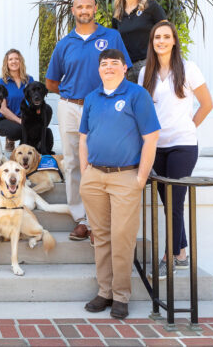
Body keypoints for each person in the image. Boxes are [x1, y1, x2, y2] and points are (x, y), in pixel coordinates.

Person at [79, 48, 160, 319]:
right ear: (99, 69)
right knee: (101, 237)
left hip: (126, 176)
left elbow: (151, 137)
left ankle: (121, 295)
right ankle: (105, 292)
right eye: (105, 64)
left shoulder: (137, 95)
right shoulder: (91, 98)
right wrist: (85, 171)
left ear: (125, 68)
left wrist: (140, 177)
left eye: (115, 63)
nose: (109, 67)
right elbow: (83, 138)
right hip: (94, 177)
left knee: (122, 238)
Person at [45, 0, 132, 241]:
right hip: (70, 107)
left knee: (99, 162)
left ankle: (98, 222)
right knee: (73, 163)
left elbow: (122, 70)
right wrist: (74, 94)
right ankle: (81, 219)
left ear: (95, 9)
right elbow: (51, 82)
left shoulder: (111, 37)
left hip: (102, 107)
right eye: (79, 6)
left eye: (88, 6)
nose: (84, 10)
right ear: (73, 10)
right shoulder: (64, 43)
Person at [139, 21, 213, 278]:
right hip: (156, 147)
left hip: (182, 146)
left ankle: (168, 256)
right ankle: (181, 253)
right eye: (157, 37)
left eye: (166, 36)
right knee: (168, 202)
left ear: (174, 41)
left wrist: (188, 127)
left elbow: (206, 104)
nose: (161, 41)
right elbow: (144, 111)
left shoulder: (188, 69)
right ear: (152, 42)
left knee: (175, 201)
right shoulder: (144, 73)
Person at [111, 0, 167, 83]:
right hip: (127, 68)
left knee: (151, 100)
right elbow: (117, 43)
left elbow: (167, 34)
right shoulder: (117, 14)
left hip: (149, 65)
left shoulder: (152, 7)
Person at [0, 48, 34, 151]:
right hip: (5, 119)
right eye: (11, 59)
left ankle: (23, 147)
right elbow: (3, 109)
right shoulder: (1, 82)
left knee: (34, 128)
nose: (14, 61)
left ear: (21, 61)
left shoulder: (29, 80)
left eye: (17, 59)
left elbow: (33, 102)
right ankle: (10, 139)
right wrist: (20, 121)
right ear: (6, 63)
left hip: (24, 116)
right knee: (19, 129)